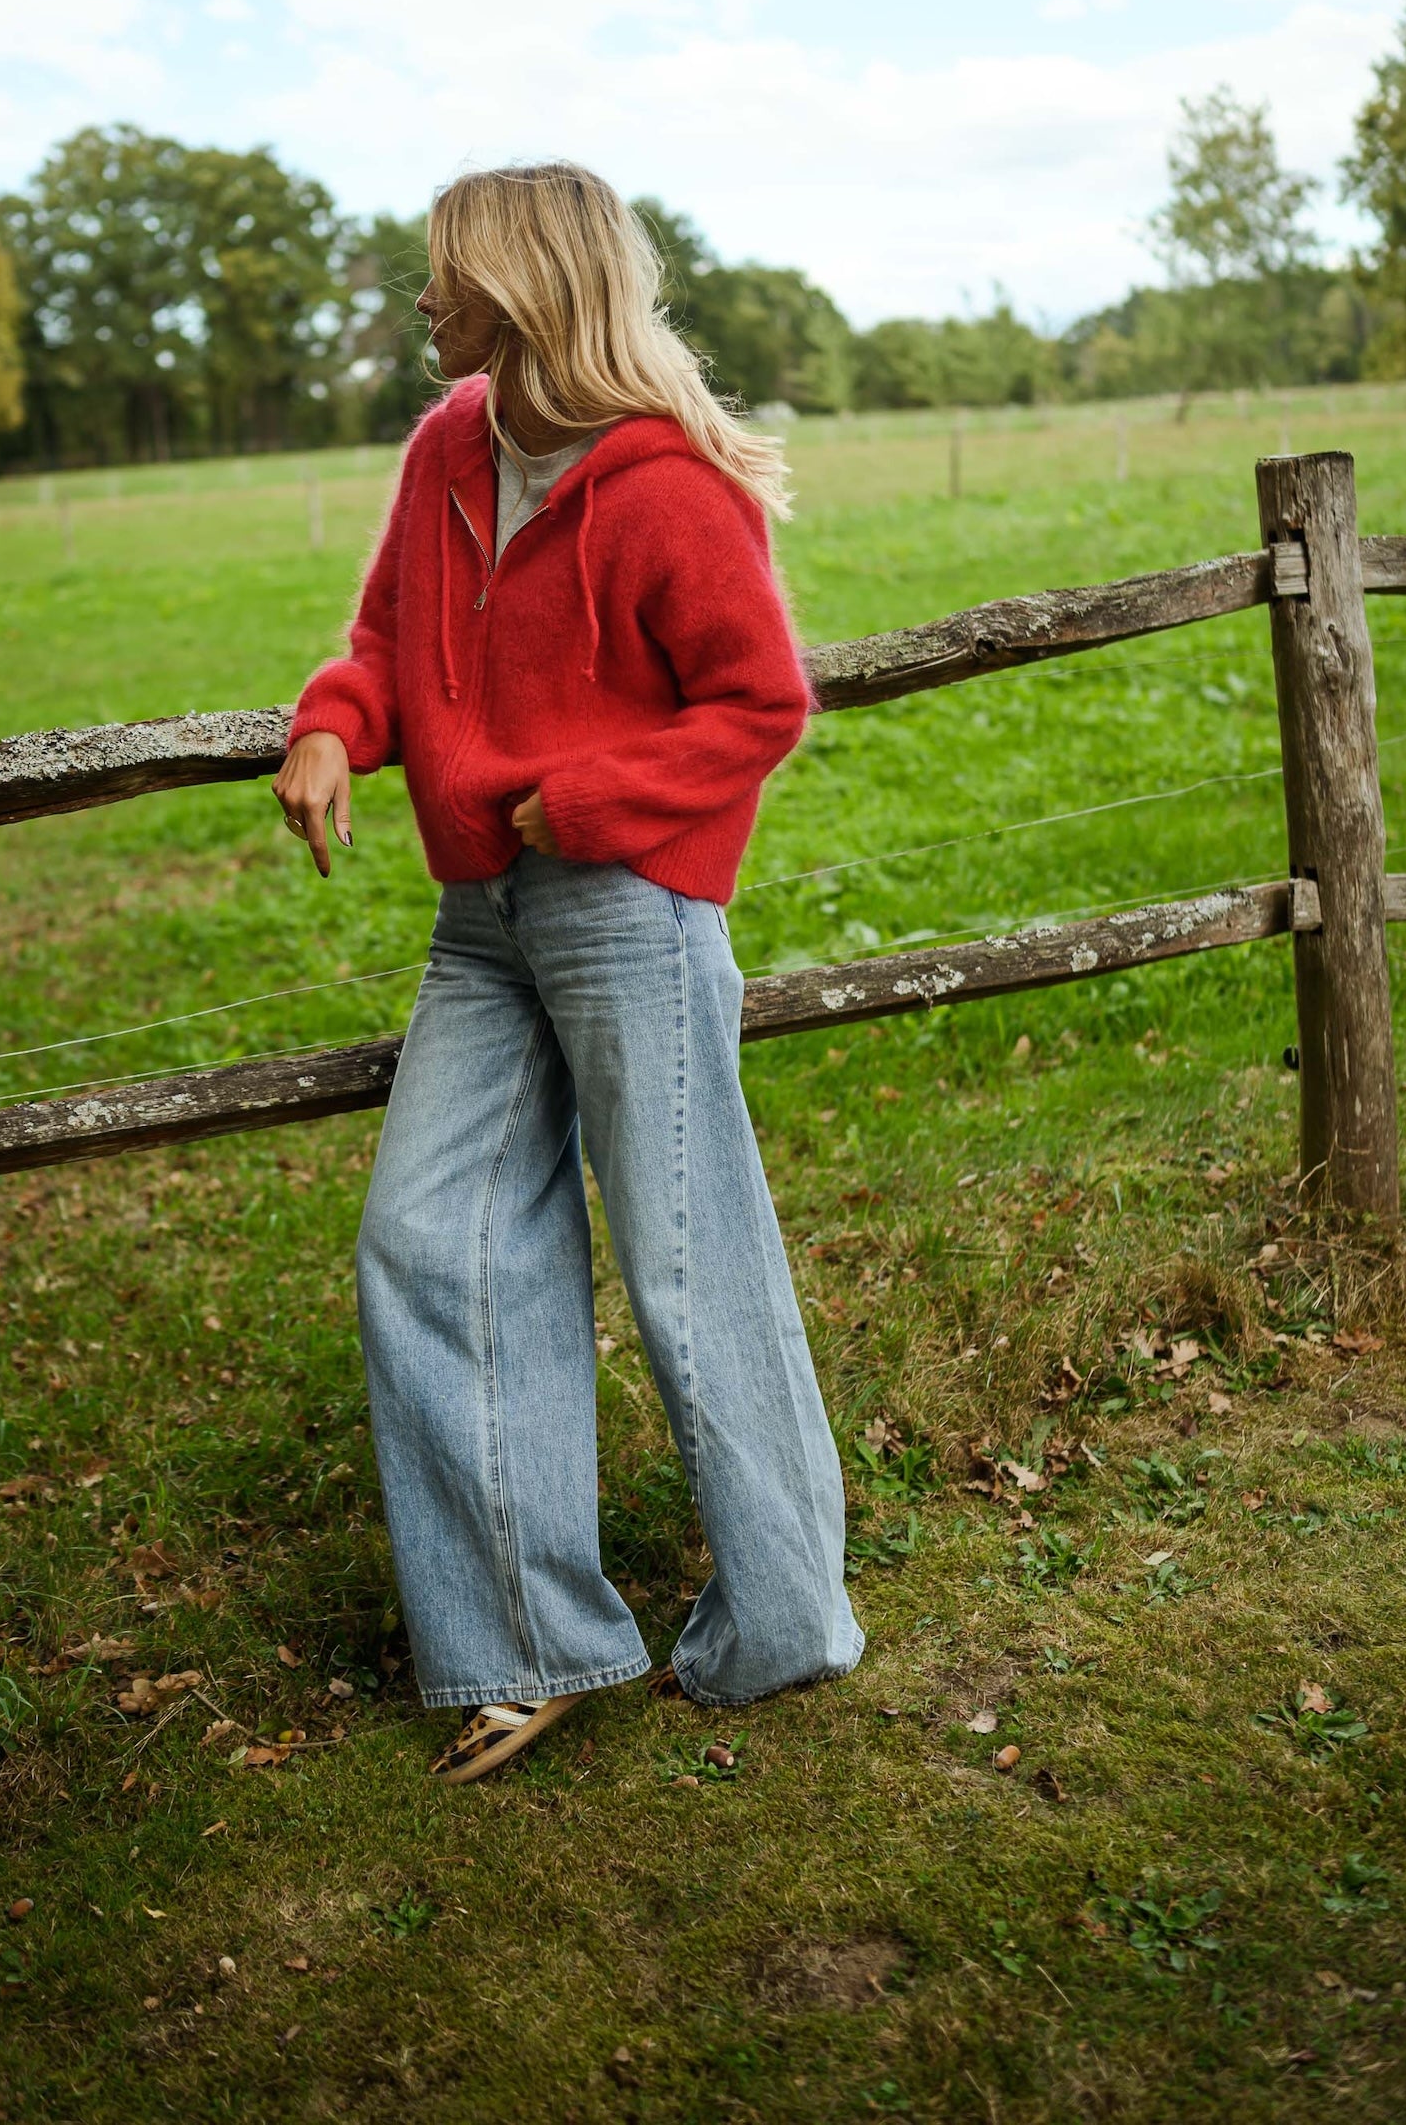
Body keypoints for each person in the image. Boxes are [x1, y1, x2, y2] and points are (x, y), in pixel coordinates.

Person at [273, 162, 862, 1783]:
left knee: (687, 1264)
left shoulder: (667, 489)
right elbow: (390, 634)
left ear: (523, 286)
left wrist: (590, 799)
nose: (419, 296)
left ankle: (785, 1617)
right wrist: (333, 721)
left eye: (442, 271)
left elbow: (760, 705)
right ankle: (529, 1637)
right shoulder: (447, 448)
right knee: (422, 1239)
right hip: (482, 918)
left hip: (628, 911)